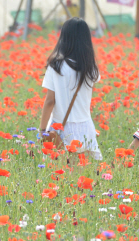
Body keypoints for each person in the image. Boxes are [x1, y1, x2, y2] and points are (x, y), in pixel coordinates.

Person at [39, 18, 102, 161]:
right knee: (80, 171)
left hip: (61, 126)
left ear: (64, 37)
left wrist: (42, 130)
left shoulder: (56, 65)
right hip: (85, 125)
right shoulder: (91, 67)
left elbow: (50, 101)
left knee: (60, 170)